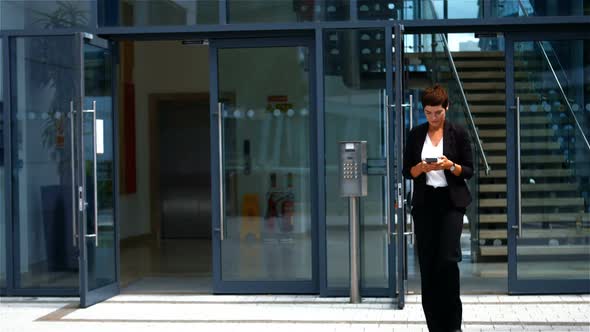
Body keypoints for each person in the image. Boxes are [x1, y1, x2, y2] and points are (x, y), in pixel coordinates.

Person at [402, 84, 474, 332]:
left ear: (447, 108)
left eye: (438, 113)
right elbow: (406, 171)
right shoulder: (415, 134)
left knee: (447, 260)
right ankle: (435, 326)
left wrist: (449, 165)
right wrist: (421, 168)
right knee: (428, 264)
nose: (433, 118)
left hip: (451, 203)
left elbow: (469, 170)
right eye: (428, 113)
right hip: (424, 204)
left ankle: (453, 325)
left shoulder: (459, 133)